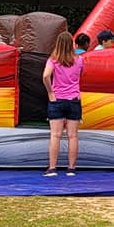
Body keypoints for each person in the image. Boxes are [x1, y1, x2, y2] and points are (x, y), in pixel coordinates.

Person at [42, 32, 83, 176]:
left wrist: (50, 92)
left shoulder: (53, 60)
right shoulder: (79, 60)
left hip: (57, 100)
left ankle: (52, 168)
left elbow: (46, 76)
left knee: (55, 135)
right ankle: (71, 168)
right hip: (74, 100)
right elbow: (79, 76)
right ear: (72, 44)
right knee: (73, 136)